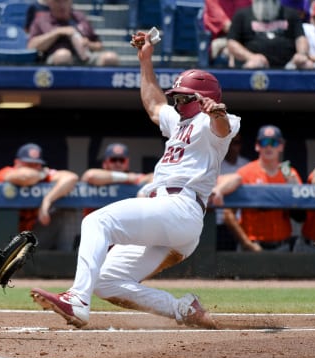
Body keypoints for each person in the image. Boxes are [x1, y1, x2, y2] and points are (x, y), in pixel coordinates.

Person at [30, 30, 240, 329]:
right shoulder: (180, 122)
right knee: (105, 282)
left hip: (181, 206)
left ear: (202, 99)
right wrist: (145, 61)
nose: (177, 103)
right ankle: (182, 308)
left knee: (96, 222)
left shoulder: (217, 122)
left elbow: (222, 128)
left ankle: (77, 299)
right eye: (176, 98)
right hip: (168, 216)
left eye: (183, 98)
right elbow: (155, 106)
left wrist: (216, 112)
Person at [211, 124, 303, 252]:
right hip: (252, 245)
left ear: (281, 146)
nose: (269, 146)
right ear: (257, 146)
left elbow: (300, 216)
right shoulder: (245, 171)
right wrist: (246, 243)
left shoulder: (288, 172)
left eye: (274, 142)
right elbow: (228, 214)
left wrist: (294, 188)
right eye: (264, 142)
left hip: (282, 246)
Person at [0, 142, 80, 251]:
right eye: (29, 164)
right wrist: (42, 174)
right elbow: (25, 176)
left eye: (37, 164)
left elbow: (71, 178)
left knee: (67, 212)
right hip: (4, 239)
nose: (33, 167)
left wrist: (47, 200)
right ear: (17, 163)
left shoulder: (41, 176)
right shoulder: (6, 172)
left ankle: (67, 260)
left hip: (30, 238)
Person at [27, 0, 119, 66]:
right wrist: (57, 32)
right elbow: (31, 46)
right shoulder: (41, 19)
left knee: (110, 58)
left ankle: (104, 93)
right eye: (57, 1)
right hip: (55, 58)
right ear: (49, 2)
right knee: (63, 56)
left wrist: (89, 44)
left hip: (86, 57)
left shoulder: (80, 18)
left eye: (65, 1)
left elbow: (99, 45)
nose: (62, 5)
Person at [226, 0, 315, 69]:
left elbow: (300, 38)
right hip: (255, 64)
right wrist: (250, 57)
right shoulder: (241, 15)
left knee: (307, 65)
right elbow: (232, 42)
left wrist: (301, 54)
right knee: (253, 65)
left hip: (289, 64)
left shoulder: (291, 14)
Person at [80, 142, 152, 217]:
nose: (118, 163)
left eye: (121, 160)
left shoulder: (133, 179)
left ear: (127, 163)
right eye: (113, 160)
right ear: (105, 163)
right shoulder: (99, 176)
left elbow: (152, 177)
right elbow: (90, 176)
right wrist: (126, 177)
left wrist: (143, 192)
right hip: (97, 225)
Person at [215, 132, 249, 250]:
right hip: (217, 222)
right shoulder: (215, 164)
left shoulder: (246, 165)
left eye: (236, 143)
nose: (232, 146)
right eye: (229, 142)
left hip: (240, 224)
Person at [202, 0, 252, 66]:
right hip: (221, 39)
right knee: (231, 52)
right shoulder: (212, 1)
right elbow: (227, 27)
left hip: (245, 37)